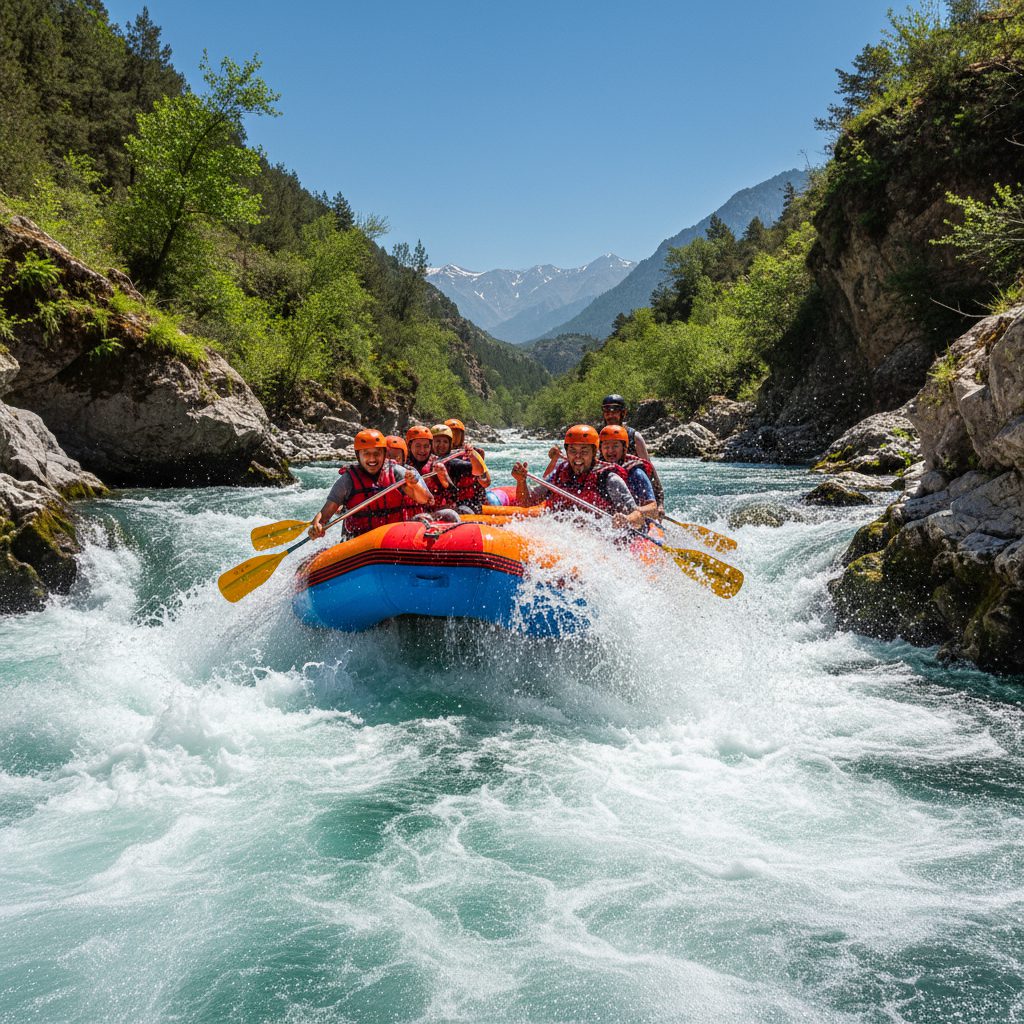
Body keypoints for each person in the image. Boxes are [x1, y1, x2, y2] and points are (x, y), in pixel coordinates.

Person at [511, 424, 644, 529]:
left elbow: (638, 517)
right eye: (572, 451)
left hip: (599, 538)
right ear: (567, 452)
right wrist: (521, 482)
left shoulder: (609, 479)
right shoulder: (558, 474)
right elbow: (526, 503)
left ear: (594, 453)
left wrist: (626, 519)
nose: (578, 456)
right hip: (562, 534)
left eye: (584, 451)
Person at [308, 429, 432, 538]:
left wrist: (413, 485)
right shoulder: (347, 480)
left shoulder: (397, 472)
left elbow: (424, 499)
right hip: (359, 540)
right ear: (358, 455)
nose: (372, 458)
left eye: (377, 453)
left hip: (394, 536)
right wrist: (317, 525)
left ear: (384, 454)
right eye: (366, 453)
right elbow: (325, 514)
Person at [599, 394, 664, 513]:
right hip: (609, 488)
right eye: (607, 411)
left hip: (633, 490)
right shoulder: (599, 436)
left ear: (623, 413)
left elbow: (650, 471)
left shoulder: (634, 437)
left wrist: (659, 503)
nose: (610, 415)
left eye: (615, 411)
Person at [599, 425, 658, 520]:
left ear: (624, 448)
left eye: (615, 446)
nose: (610, 450)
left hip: (637, 522)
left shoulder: (636, 473)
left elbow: (653, 509)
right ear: (600, 449)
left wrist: (632, 515)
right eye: (606, 446)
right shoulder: (598, 471)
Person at [431, 423, 491, 514]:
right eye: (438, 441)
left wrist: (474, 457)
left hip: (466, 503)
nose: (441, 445)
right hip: (435, 504)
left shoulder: (457, 460)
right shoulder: (425, 459)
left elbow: (483, 477)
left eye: (445, 442)